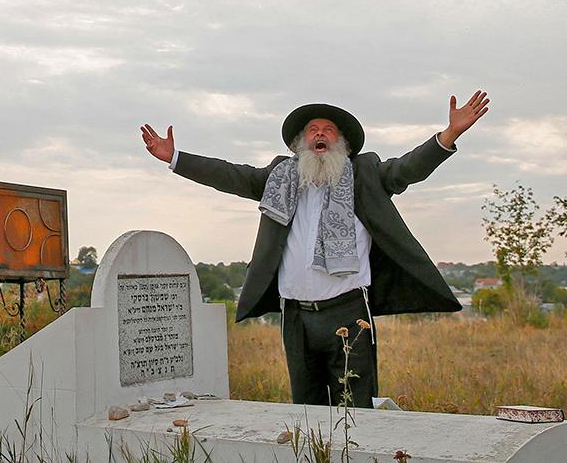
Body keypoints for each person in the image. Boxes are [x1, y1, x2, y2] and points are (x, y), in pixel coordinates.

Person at [140, 91, 489, 408]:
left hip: (348, 313)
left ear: (344, 144)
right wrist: (176, 158)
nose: (320, 134)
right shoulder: (279, 179)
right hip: (296, 317)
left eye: (329, 130)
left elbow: (408, 168)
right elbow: (229, 174)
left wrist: (449, 135)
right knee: (306, 410)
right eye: (312, 129)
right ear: (299, 143)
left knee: (355, 409)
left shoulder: (365, 174)